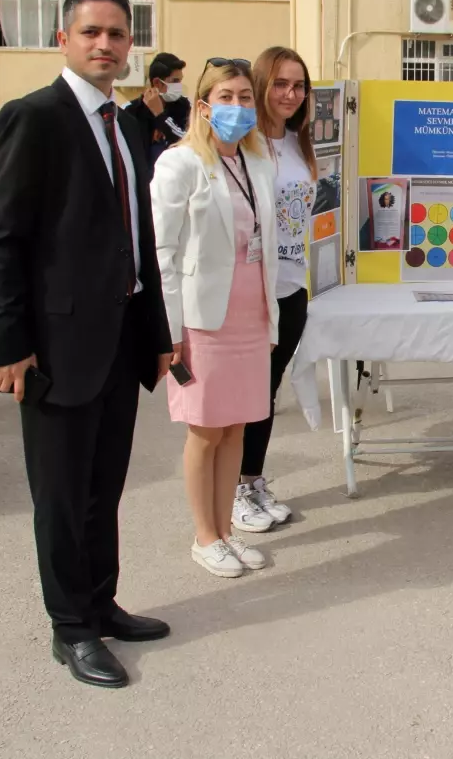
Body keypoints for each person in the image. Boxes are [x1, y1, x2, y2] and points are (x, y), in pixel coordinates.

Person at [0, 0, 174, 689]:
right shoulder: (34, 117)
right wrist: (5, 343)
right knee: (60, 495)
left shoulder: (123, 123)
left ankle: (100, 601)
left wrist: (156, 334)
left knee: (102, 486)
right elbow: (1, 238)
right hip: (57, 348)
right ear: (63, 39)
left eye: (118, 34)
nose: (105, 45)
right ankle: (71, 628)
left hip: (118, 340)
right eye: (91, 32)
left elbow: (135, 239)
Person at [151, 58, 280, 578]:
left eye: (245, 97)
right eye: (225, 96)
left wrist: (270, 319)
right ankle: (204, 536)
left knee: (236, 430)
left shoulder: (257, 162)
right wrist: (168, 331)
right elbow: (162, 251)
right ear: (203, 105)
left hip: (251, 315)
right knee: (205, 431)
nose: (237, 106)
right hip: (201, 322)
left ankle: (225, 530)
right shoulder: (179, 164)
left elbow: (267, 247)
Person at [237, 46, 319, 531]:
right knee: (243, 396)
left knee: (265, 393)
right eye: (281, 84)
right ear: (262, 84)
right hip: (249, 292)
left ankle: (253, 479)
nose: (291, 94)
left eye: (300, 85)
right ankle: (232, 493)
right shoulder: (242, 145)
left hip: (292, 288)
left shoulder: (299, 142)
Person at [123, 51, 190, 166]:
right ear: (157, 83)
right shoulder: (131, 111)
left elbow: (186, 142)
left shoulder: (184, 106)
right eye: (175, 81)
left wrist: (161, 115)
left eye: (180, 80)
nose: (179, 86)